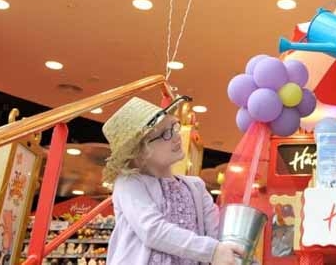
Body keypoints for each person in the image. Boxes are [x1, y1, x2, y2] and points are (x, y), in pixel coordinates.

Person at [102, 96, 244, 265]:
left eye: (174, 127)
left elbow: (216, 232)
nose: (176, 136)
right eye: (164, 134)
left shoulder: (196, 187)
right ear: (139, 151)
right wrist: (212, 251)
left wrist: (233, 252)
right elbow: (152, 229)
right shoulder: (129, 183)